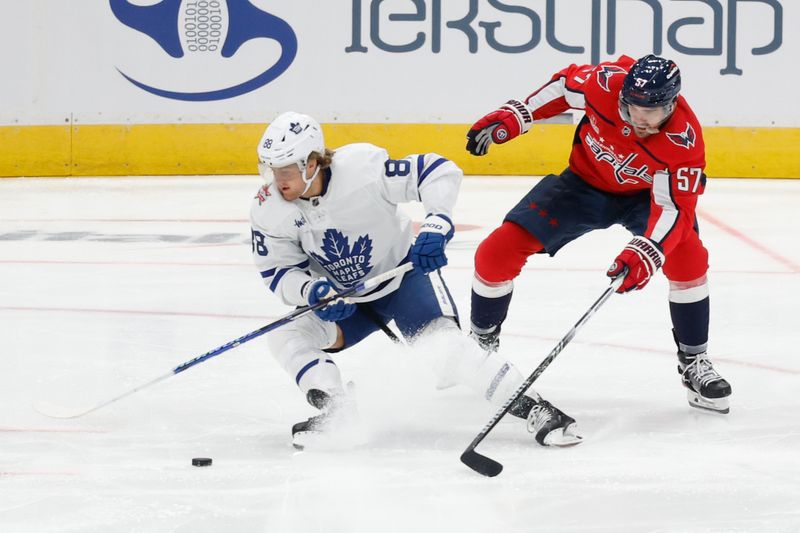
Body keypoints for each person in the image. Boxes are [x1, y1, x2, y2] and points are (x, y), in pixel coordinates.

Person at [250, 111, 581, 450]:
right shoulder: (269, 208)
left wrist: (438, 222)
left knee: (447, 351)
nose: (277, 181)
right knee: (285, 334)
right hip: (345, 301)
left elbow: (436, 171)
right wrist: (311, 290)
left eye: (285, 170)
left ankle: (537, 408)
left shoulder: (362, 169)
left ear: (311, 163)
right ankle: (337, 410)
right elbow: (277, 271)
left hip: (402, 281)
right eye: (271, 170)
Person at [465, 54, 732, 414]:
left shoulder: (684, 141)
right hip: (583, 185)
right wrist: (521, 114)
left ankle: (694, 360)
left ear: (671, 104)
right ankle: (480, 345)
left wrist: (648, 250)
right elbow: (563, 87)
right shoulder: (606, 83)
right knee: (496, 252)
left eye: (650, 111)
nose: (639, 118)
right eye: (631, 107)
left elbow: (674, 209)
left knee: (689, 258)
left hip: (647, 197)